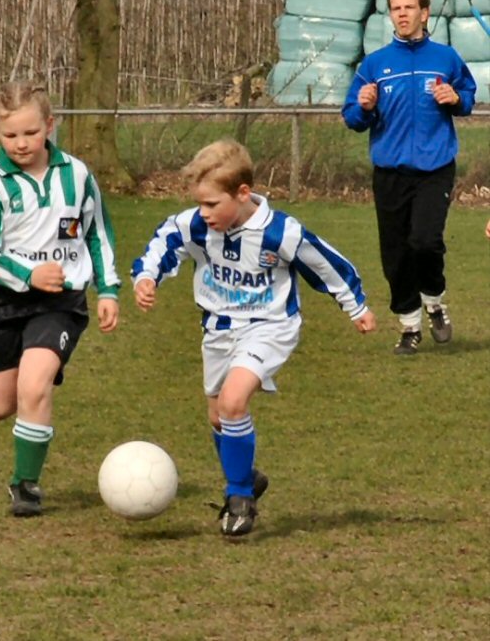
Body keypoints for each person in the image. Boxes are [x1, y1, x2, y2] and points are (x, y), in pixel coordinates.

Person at [131, 138, 376, 537]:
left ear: (243, 193)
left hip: (270, 327)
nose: (204, 213)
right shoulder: (196, 224)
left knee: (232, 402)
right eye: (200, 204)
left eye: (212, 204)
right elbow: (164, 241)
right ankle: (246, 477)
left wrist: (357, 307)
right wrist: (146, 277)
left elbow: (326, 265)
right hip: (218, 329)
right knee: (218, 416)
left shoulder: (280, 233)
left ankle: (240, 499)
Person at [0, 81, 120, 517]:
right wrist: (27, 273)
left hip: (61, 302)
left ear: (49, 126)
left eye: (30, 133)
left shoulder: (78, 175)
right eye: (10, 135)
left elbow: (97, 233)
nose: (21, 143)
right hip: (4, 303)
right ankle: (30, 401)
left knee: (35, 385)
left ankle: (25, 486)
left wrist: (107, 289)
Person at [342, 0, 476, 355]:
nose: (401, 14)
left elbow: (468, 96)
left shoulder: (446, 58)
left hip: (435, 168)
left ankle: (435, 300)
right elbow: (352, 116)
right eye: (395, 8)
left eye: (408, 7)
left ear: (424, 12)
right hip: (390, 172)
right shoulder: (375, 64)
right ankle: (409, 327)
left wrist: (455, 98)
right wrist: (364, 107)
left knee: (425, 240)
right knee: (396, 253)